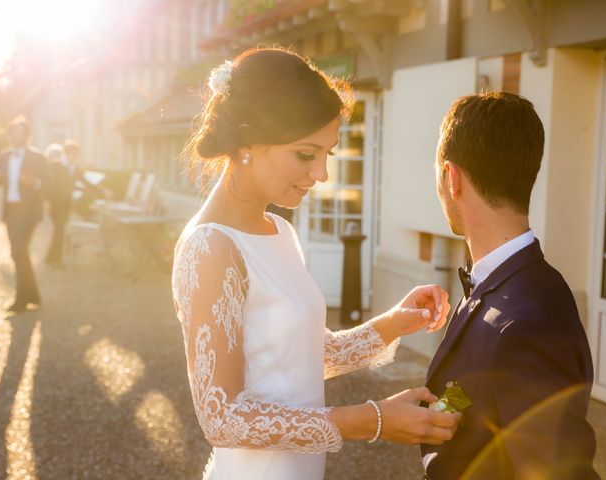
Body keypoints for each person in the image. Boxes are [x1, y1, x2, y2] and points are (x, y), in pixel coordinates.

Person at [171, 47, 461, 480]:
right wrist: (373, 419)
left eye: (328, 154)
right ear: (249, 141)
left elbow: (308, 356)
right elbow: (223, 417)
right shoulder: (212, 247)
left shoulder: (280, 231)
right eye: (307, 155)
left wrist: (393, 324)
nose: (322, 173)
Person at [422, 92, 599, 479]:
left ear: (452, 178)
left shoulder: (527, 321)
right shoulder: (505, 280)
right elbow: (481, 388)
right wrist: (432, 415)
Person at [0, 116, 49, 312]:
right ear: (9, 135)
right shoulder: (4, 156)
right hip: (11, 210)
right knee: (19, 253)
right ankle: (34, 296)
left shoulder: (37, 157)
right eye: (14, 133)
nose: (17, 137)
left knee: (18, 252)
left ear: (27, 136)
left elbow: (50, 182)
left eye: (21, 134)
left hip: (29, 211)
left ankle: (21, 298)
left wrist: (35, 183)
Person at [44, 139, 104, 266]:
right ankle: (56, 260)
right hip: (55, 204)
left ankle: (52, 258)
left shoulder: (75, 169)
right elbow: (48, 185)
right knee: (59, 229)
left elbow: (85, 182)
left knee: (60, 230)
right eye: (73, 154)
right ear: (67, 153)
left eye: (77, 154)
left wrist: (103, 191)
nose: (75, 157)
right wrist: (47, 201)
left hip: (66, 204)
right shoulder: (56, 166)